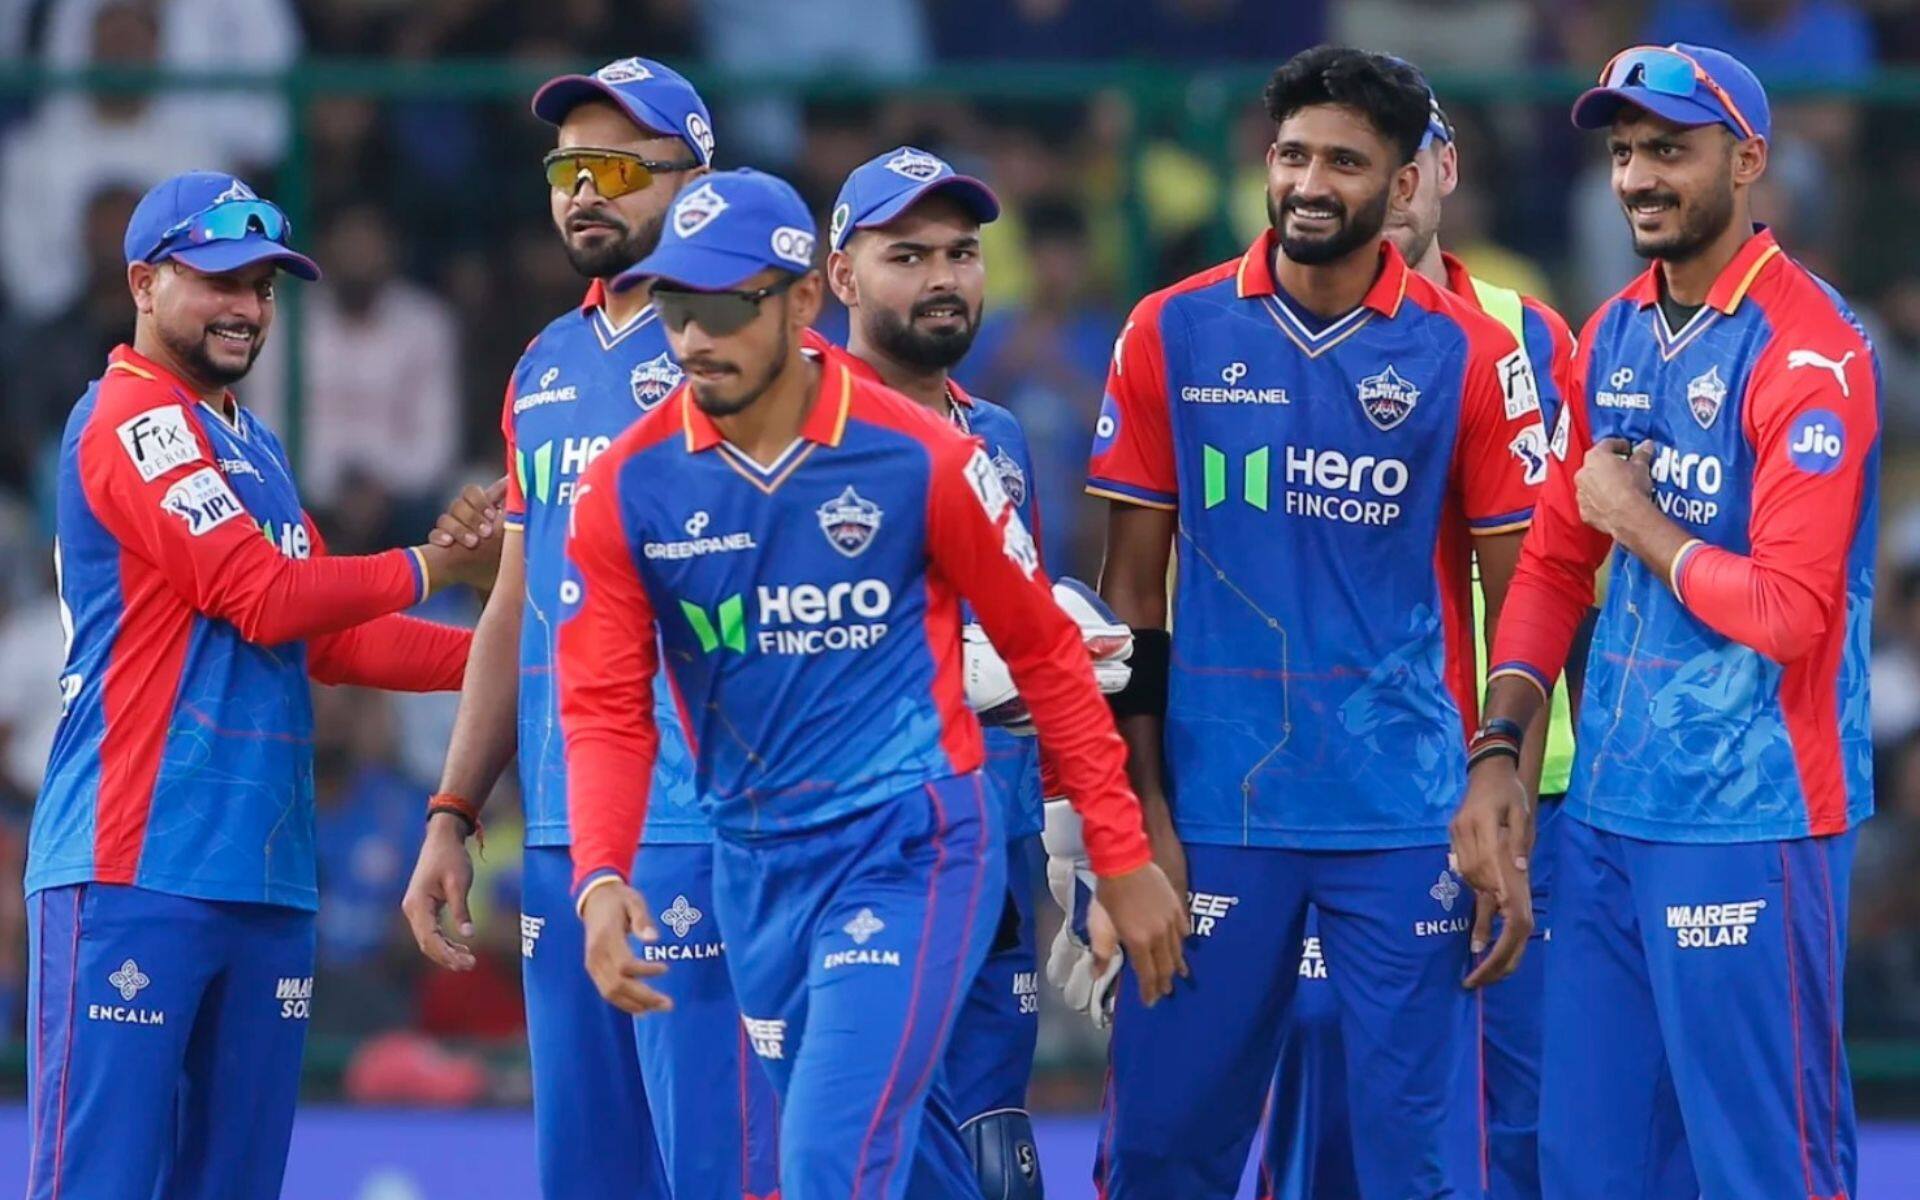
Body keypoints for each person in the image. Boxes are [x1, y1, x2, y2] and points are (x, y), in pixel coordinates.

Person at [557, 167, 1188, 1200]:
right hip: (757, 866)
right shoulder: (630, 484)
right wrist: (599, 874)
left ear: (801, 298)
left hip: (909, 847)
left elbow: (1045, 654)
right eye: (676, 306)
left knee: (828, 1162)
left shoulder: (925, 457)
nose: (693, 338)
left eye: (725, 307)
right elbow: (603, 704)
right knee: (900, 1165)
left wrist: (1111, 852)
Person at [1085, 46, 1545, 1198]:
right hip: (1217, 810)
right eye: (1292, 154)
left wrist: (1506, 791)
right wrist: (1133, 818)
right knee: (1158, 1151)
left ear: (1403, 190)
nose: (1309, 182)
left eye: (1345, 160)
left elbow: (1529, 595)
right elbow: (1130, 600)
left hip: (1406, 817)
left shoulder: (1476, 353)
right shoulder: (1169, 332)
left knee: (1414, 1165)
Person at [22, 170, 492, 1200]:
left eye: (265, 287)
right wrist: (441, 566)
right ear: (145, 283)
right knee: (98, 1184)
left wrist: (512, 664)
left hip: (265, 876)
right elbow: (264, 597)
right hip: (135, 863)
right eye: (220, 280)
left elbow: (331, 643)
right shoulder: (130, 417)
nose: (246, 307)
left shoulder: (255, 444)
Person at [1462, 43, 1878, 1200]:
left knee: (1761, 1168)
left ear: (1748, 161)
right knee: (1589, 1165)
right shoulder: (1616, 335)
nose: (1640, 176)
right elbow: (1550, 562)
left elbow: (1791, 615)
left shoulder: (1812, 352)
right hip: (1606, 817)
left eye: (1670, 150)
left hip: (1753, 817)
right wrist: (1504, 742)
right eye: (1624, 152)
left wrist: (1639, 524)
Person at [398, 58, 777, 1200]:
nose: (582, 193)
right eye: (566, 169)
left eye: (617, 168)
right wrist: (454, 812)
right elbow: (515, 600)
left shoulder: (742, 338)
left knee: (717, 1168)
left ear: (693, 180)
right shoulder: (544, 364)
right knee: (588, 1176)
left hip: (701, 823)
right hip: (564, 827)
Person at [1259, 78, 1580, 1200]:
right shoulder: (1262, 326)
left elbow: (1563, 554)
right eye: (1327, 156)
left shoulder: (1528, 330)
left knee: (1524, 1091)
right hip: (1343, 775)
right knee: (1324, 1073)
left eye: (1399, 154)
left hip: (1522, 769)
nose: (1365, 182)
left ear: (1436, 172)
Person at [821, 144, 1049, 1195]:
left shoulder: (995, 435)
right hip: (859, 856)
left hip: (994, 844)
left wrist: (1078, 815)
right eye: (906, 254)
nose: (944, 277)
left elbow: (1033, 646)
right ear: (840, 276)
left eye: (961, 253)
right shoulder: (796, 428)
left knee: (998, 1154)